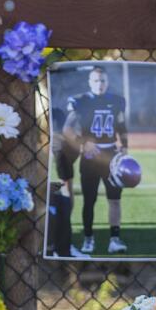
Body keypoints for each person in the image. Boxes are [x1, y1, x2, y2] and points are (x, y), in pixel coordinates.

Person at [62, 66, 129, 255]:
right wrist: (83, 143)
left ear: (107, 83)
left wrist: (124, 146)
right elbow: (67, 129)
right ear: (90, 82)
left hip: (111, 157)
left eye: (103, 81)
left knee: (115, 199)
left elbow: (122, 126)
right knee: (89, 201)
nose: (100, 84)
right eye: (96, 81)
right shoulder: (80, 101)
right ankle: (88, 239)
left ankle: (115, 240)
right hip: (91, 157)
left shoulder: (116, 101)